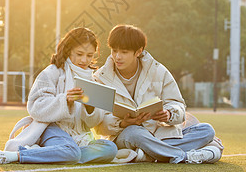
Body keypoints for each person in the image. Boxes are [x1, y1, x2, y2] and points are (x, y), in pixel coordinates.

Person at [0, 27, 118, 164]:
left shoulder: (93, 80)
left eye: (89, 55)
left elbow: (93, 123)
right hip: (51, 128)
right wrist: (65, 100)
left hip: (78, 135)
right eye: (79, 54)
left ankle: (49, 152)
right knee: (72, 152)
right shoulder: (52, 72)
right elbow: (35, 107)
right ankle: (14, 156)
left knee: (110, 149)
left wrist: (90, 107)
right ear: (69, 50)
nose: (84, 60)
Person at [94, 24, 223, 164]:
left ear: (138, 51)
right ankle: (183, 156)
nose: (117, 57)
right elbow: (98, 122)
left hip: (159, 133)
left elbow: (177, 103)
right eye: (114, 51)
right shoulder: (100, 77)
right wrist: (123, 123)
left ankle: (148, 153)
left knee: (206, 130)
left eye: (124, 52)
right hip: (126, 135)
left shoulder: (157, 71)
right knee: (136, 133)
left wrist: (169, 114)